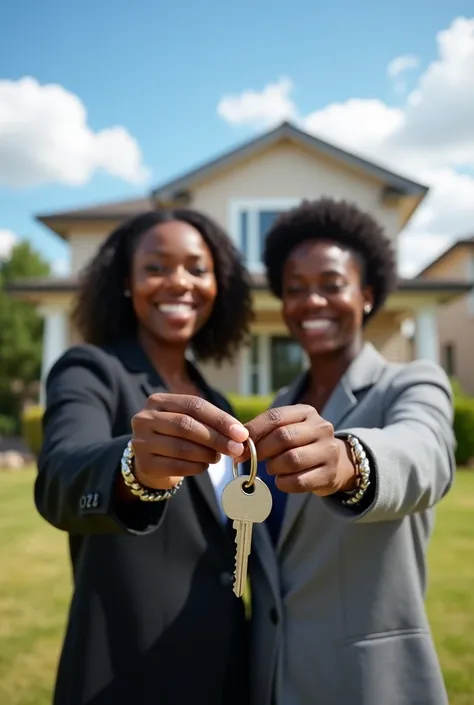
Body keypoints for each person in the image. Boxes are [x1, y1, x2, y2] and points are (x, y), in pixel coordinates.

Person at [35, 209, 278, 705]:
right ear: (126, 282)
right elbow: (60, 478)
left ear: (218, 284)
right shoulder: (91, 371)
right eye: (156, 267)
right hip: (126, 673)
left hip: (225, 669)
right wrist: (133, 468)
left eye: (197, 268)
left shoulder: (220, 403)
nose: (179, 282)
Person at [242, 197, 455, 705]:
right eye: (295, 290)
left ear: (366, 294)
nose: (311, 302)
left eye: (331, 285)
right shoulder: (277, 407)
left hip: (367, 684)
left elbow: (424, 454)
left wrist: (347, 461)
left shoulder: (409, 382)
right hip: (269, 679)